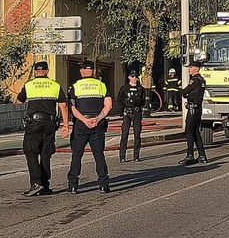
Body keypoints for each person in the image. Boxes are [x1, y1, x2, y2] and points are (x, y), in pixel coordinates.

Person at [15, 61, 65, 196]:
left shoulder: (29, 85)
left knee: (31, 152)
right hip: (50, 123)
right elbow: (63, 106)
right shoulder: (55, 85)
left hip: (34, 123)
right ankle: (45, 185)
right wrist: (66, 125)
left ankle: (36, 183)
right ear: (47, 71)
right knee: (46, 154)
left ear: (35, 72)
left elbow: (19, 102)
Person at [65, 60, 113, 193]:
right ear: (94, 71)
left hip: (81, 124)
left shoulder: (75, 87)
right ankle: (103, 184)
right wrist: (97, 119)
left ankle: (73, 185)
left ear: (81, 71)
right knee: (99, 155)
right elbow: (108, 106)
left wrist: (84, 121)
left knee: (77, 154)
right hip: (98, 123)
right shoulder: (101, 85)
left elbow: (72, 108)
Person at [116, 69, 148, 162]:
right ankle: (122, 156)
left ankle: (136, 156)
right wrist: (124, 108)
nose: (134, 78)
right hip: (127, 113)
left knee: (137, 134)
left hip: (137, 112)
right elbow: (119, 100)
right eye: (133, 76)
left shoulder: (140, 88)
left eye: (136, 76)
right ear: (129, 77)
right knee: (124, 134)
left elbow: (143, 101)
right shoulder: (124, 88)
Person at [180, 60, 209, 165]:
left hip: (193, 108)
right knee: (196, 132)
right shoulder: (202, 80)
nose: (189, 69)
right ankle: (202, 155)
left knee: (189, 131)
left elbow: (184, 91)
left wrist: (182, 93)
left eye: (190, 67)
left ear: (196, 69)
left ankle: (190, 155)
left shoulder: (195, 80)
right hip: (198, 108)